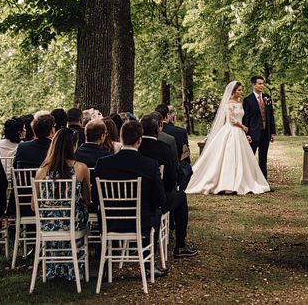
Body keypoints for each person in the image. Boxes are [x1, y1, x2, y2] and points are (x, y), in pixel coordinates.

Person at [93, 120, 168, 276]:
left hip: (110, 221)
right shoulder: (150, 165)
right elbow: (160, 200)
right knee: (157, 212)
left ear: (120, 138)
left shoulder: (103, 163)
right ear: (139, 140)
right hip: (141, 222)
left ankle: (106, 268)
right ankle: (148, 266)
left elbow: (96, 197)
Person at [185, 81, 270, 195]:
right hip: (231, 130)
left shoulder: (240, 103)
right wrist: (243, 126)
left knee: (241, 157)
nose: (241, 92)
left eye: (241, 90)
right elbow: (231, 120)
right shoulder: (229, 103)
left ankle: (241, 181)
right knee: (229, 155)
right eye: (239, 90)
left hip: (239, 133)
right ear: (233, 91)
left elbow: (241, 117)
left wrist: (245, 132)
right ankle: (226, 183)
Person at [34, 128, 90, 283]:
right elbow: (86, 199)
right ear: (73, 146)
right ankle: (74, 267)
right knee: (82, 213)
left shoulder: (41, 171)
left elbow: (34, 206)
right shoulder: (81, 168)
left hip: (48, 226)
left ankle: (55, 268)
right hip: (72, 223)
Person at [139, 113, 197, 257]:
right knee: (181, 196)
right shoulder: (164, 149)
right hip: (157, 202)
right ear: (159, 128)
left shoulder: (135, 148)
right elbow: (172, 181)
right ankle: (180, 245)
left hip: (133, 201)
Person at [241, 75, 276, 178]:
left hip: (266, 133)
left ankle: (264, 182)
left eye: (262, 83)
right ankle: (249, 181)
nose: (262, 86)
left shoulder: (267, 97)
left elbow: (271, 116)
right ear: (253, 85)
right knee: (250, 158)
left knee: (263, 159)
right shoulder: (248, 100)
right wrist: (246, 134)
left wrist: (272, 132)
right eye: (259, 84)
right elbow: (245, 118)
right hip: (253, 134)